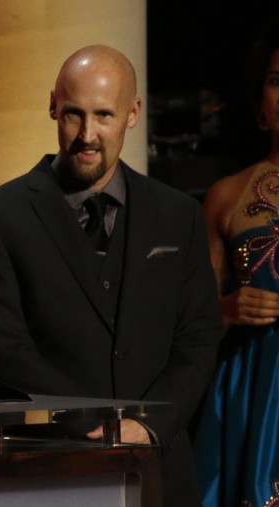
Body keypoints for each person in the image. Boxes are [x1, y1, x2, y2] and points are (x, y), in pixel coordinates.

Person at [0, 45, 223, 506]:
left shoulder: (178, 214)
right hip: (46, 471)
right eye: (73, 114)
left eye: (103, 115)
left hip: (161, 473)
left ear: (133, 113)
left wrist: (148, 424)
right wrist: (94, 425)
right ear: (52, 107)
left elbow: (198, 338)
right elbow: (2, 349)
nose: (87, 134)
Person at [194, 20, 279, 507]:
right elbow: (189, 321)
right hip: (251, 387)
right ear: (261, 104)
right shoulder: (226, 196)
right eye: (277, 80)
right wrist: (225, 309)